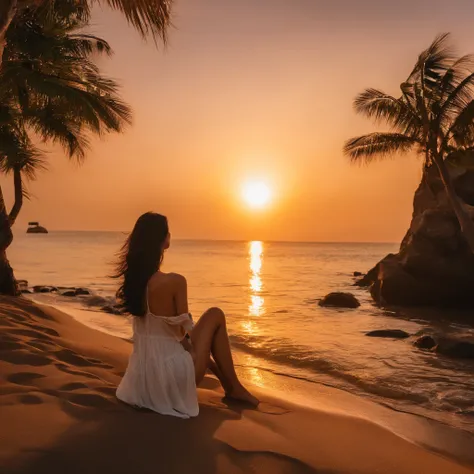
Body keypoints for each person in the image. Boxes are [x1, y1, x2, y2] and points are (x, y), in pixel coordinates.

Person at [115, 212, 259, 418]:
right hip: (172, 378)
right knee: (215, 314)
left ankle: (231, 385)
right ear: (163, 240)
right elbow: (182, 336)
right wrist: (203, 357)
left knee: (204, 335)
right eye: (167, 232)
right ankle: (233, 387)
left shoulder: (133, 283)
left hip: (142, 379)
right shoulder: (175, 281)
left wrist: (206, 358)